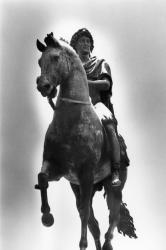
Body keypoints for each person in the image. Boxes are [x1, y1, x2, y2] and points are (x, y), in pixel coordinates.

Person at [70, 28, 123, 187]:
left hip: (96, 103)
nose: (86, 44)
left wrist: (87, 82)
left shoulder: (100, 63)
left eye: (88, 41)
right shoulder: (72, 68)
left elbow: (106, 84)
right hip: (77, 105)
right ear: (75, 46)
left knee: (108, 124)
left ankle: (114, 170)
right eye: (82, 41)